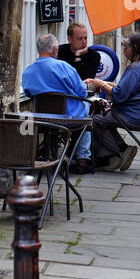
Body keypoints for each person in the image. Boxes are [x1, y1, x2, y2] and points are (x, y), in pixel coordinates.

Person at [22, 33, 94, 174]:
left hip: (42, 116)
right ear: (55, 49)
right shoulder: (63, 67)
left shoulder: (28, 71)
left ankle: (55, 150)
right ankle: (83, 158)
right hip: (68, 117)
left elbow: (28, 93)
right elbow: (82, 92)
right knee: (87, 108)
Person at [91, 32, 140, 171]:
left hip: (133, 115)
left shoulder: (135, 68)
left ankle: (118, 153)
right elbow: (125, 89)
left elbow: (119, 95)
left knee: (94, 121)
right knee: (104, 119)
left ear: (134, 48)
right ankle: (122, 150)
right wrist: (105, 83)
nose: (124, 52)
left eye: (126, 48)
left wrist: (101, 84)